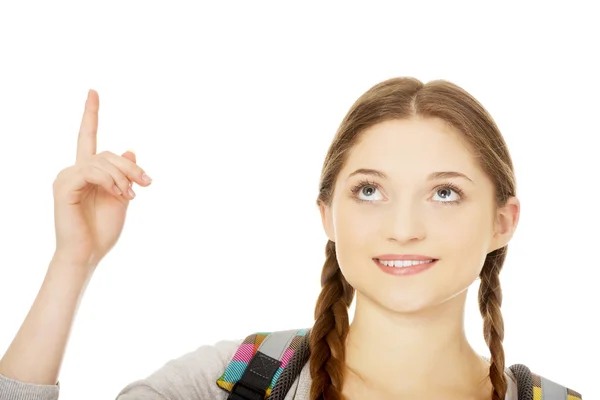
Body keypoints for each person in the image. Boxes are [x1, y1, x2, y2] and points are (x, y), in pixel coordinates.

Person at [0, 77, 580, 400]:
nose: (403, 228)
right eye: (370, 191)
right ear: (327, 214)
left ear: (503, 221)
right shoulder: (237, 382)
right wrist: (72, 261)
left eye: (445, 192)